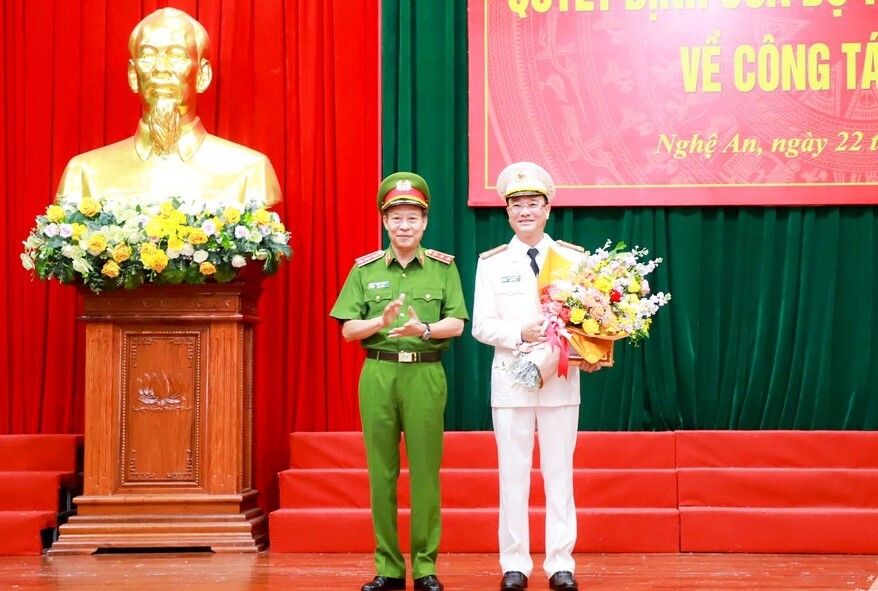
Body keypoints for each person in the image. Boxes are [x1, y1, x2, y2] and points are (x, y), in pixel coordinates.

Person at [330, 172, 469, 591]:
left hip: (425, 372)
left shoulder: (443, 268)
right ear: (384, 222)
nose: (404, 226)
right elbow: (348, 330)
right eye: (396, 218)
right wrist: (381, 321)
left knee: (425, 472)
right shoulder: (365, 269)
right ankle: (388, 568)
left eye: (412, 218)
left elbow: (457, 324)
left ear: (424, 222)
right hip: (379, 371)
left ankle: (425, 567)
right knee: (381, 472)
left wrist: (423, 329)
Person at [472, 162, 601, 591]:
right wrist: (518, 334)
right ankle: (515, 564)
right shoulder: (491, 263)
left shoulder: (573, 259)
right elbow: (481, 325)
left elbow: (589, 320)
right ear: (507, 212)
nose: (524, 211)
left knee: (559, 475)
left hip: (560, 382)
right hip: (511, 380)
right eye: (516, 205)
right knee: (513, 476)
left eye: (532, 203)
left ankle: (560, 563)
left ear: (547, 209)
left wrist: (592, 350)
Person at [55, 7, 280, 206]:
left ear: (203, 75)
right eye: (147, 56)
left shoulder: (250, 172)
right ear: (133, 75)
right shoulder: (85, 173)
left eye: (177, 56)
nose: (160, 69)